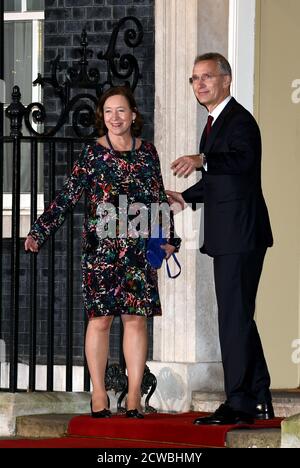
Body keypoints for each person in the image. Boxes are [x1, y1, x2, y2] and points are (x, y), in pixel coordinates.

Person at [25, 85, 181, 419]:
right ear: (103, 117)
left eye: (121, 110)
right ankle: (98, 393)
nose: (115, 117)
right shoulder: (94, 153)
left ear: (133, 115)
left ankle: (134, 395)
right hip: (102, 253)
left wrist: (169, 237)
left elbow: (156, 199)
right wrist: (40, 229)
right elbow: (68, 195)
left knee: (136, 321)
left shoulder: (147, 152)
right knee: (100, 321)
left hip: (138, 252)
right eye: (108, 112)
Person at [166, 53, 274, 425]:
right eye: (194, 79)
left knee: (233, 318)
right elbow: (221, 181)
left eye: (207, 77)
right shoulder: (215, 123)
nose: (200, 85)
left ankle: (240, 403)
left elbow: (241, 163)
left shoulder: (239, 120)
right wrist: (185, 197)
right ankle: (257, 395)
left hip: (241, 233)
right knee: (238, 316)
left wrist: (202, 160)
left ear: (226, 80)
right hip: (231, 234)